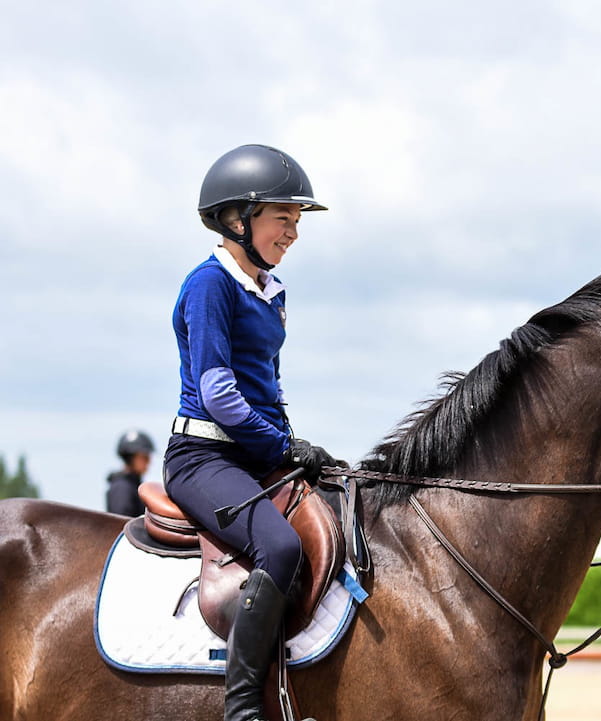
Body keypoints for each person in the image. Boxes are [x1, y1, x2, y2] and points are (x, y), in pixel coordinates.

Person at [164, 144, 342, 721]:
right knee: (282, 545)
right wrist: (284, 447)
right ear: (238, 220)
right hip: (204, 458)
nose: (293, 234)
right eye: (283, 219)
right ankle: (242, 709)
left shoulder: (269, 290)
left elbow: (266, 386)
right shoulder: (209, 285)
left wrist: (295, 446)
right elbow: (218, 393)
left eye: (296, 223)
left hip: (253, 454)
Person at [106, 430, 155, 516]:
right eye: (144, 457)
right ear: (130, 458)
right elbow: (121, 522)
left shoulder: (133, 485)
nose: (149, 461)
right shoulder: (122, 487)